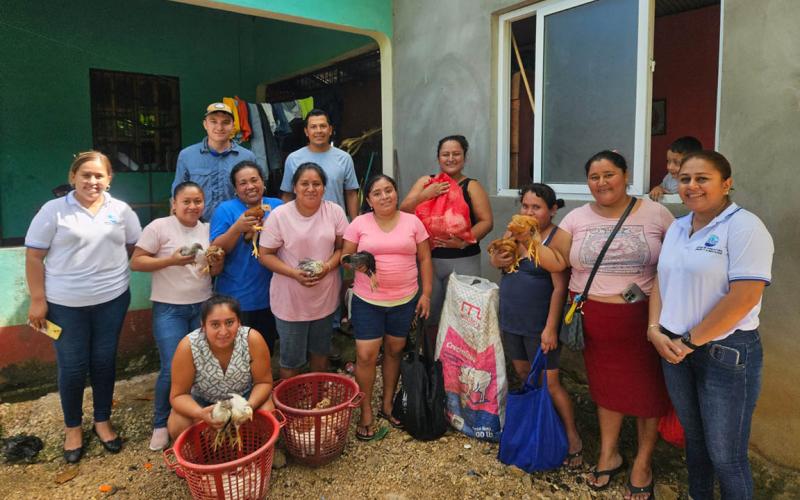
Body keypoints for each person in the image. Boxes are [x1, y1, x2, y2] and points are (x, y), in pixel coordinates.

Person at [647, 151, 773, 500]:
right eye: (685, 179)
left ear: (726, 183)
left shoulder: (745, 227)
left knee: (726, 456)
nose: (691, 186)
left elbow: (744, 296)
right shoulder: (678, 226)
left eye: (702, 178)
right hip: (673, 348)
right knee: (695, 443)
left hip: (725, 353)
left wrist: (689, 342)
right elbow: (661, 280)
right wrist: (654, 329)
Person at [551, 151, 673, 499]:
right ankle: (610, 452)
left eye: (609, 174)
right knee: (606, 391)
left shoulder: (656, 213)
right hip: (596, 321)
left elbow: (678, 259)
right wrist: (520, 248)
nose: (602, 182)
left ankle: (643, 462)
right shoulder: (576, 217)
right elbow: (556, 258)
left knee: (648, 393)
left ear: (625, 175)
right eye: (594, 176)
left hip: (643, 321)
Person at [25, 151, 142, 463]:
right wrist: (38, 300)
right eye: (86, 175)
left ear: (109, 179)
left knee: (104, 362)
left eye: (99, 176)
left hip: (112, 300)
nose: (93, 181)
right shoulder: (54, 211)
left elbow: (135, 246)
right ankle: (73, 428)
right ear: (73, 177)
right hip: (65, 305)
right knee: (73, 366)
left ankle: (102, 421)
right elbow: (34, 257)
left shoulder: (121, 210)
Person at [488, 183, 582, 467]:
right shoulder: (514, 233)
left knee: (550, 383)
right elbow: (500, 262)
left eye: (537, 207)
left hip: (540, 324)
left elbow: (559, 287)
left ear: (552, 210)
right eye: (525, 206)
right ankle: (539, 427)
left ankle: (572, 438)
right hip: (512, 319)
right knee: (522, 372)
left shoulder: (556, 237)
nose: (529, 212)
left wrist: (550, 328)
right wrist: (496, 259)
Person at [130, 181, 223, 451]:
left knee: (202, 367)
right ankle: (160, 423)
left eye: (198, 202)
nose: (193, 207)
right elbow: (136, 262)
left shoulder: (207, 230)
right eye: (186, 201)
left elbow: (214, 271)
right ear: (174, 203)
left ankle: (193, 416)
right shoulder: (159, 227)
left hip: (203, 307)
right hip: (169, 308)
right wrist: (170, 260)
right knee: (172, 367)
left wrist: (216, 263)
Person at [341, 175, 433, 440]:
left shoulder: (413, 222)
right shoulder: (359, 223)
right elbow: (345, 258)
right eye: (377, 193)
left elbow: (425, 258)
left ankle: (388, 402)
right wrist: (355, 263)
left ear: (396, 192)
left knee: (394, 351)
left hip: (404, 301)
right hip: (368, 302)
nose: (384, 196)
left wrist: (425, 294)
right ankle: (366, 409)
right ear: (368, 200)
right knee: (367, 355)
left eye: (389, 190)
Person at [259, 163, 347, 379]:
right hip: (290, 300)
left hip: (324, 297)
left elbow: (342, 248)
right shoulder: (280, 215)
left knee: (320, 353)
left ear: (324, 188)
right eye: (304, 184)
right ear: (295, 187)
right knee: (291, 360)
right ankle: (291, 408)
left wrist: (327, 267)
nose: (311, 189)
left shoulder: (334, 211)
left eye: (316, 184)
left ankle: (317, 402)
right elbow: (265, 255)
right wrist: (293, 273)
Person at [399, 135, 493, 331]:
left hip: (463, 260)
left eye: (456, 154)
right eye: (445, 154)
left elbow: (486, 222)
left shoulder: (472, 186)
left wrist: (464, 242)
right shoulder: (426, 182)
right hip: (428, 261)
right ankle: (431, 357)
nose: (451, 158)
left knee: (463, 315)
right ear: (438, 158)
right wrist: (426, 194)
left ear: (465, 157)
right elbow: (404, 210)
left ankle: (459, 359)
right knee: (429, 313)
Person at [167, 295, 274, 439]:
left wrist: (247, 407)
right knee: (177, 423)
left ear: (239, 322)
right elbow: (178, 395)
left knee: (267, 410)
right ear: (203, 326)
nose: (223, 332)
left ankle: (257, 451)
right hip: (204, 403)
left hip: (244, 398)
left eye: (230, 322)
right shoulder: (188, 347)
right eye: (215, 324)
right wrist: (200, 414)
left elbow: (264, 382)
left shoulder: (252, 339)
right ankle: (200, 458)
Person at [211, 161, 283, 355]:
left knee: (265, 351)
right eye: (243, 183)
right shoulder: (225, 210)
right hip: (236, 297)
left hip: (272, 296)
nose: (250, 186)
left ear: (263, 182)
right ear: (235, 189)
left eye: (254, 180)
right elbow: (216, 250)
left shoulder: (277, 206)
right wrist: (237, 228)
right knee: (237, 355)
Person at [172, 102, 258, 220]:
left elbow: (255, 194)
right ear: (205, 124)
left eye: (226, 122)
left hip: (236, 226)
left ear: (233, 126)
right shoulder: (187, 155)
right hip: (197, 226)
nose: (219, 127)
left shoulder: (247, 157)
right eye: (213, 121)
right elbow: (176, 194)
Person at [279, 109, 359, 220]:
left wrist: (355, 226)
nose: (319, 131)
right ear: (306, 132)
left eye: (323, 126)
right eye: (313, 127)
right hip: (302, 224)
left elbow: (351, 193)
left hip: (335, 224)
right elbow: (288, 195)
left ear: (330, 130)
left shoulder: (344, 158)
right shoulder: (293, 159)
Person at [648, 136, 702, 201]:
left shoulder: (696, 182)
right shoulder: (669, 177)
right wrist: (658, 189)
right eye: (668, 161)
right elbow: (661, 187)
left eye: (677, 163)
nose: (669, 167)